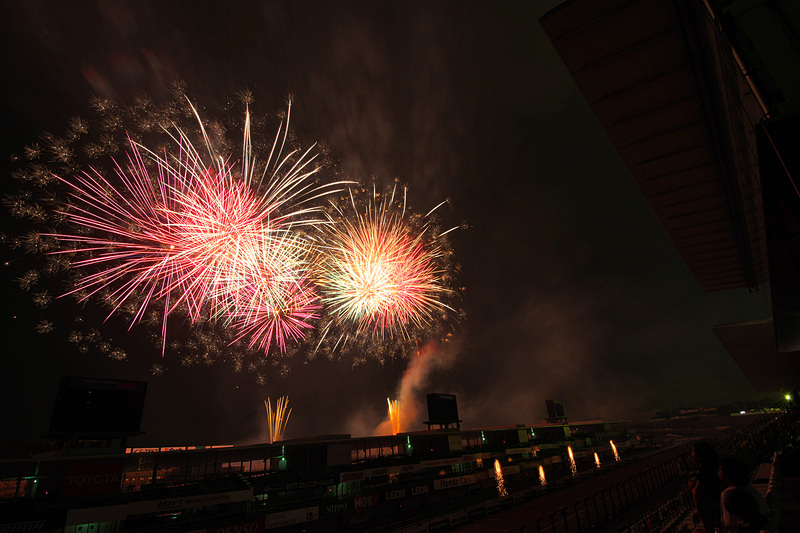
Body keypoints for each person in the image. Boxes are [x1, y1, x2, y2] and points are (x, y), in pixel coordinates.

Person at [718, 456, 770, 532]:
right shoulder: (750, 489)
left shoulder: (728, 494)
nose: (718, 471)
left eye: (720, 469)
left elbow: (730, 525)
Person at [689, 441, 722, 533]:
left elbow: (697, 493)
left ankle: (708, 529)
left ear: (699, 457)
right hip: (717, 502)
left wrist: (692, 488)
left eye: (693, 453)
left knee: (697, 499)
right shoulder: (712, 468)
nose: (692, 455)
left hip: (714, 505)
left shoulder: (703, 472)